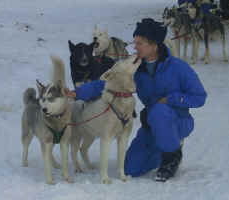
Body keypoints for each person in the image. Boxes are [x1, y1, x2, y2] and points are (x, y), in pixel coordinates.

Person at [65, 18, 207, 182]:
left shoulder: (178, 67)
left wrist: (170, 99)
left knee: (159, 112)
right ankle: (163, 147)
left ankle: (172, 156)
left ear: (154, 45)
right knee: (131, 168)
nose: (135, 47)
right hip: (152, 123)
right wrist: (77, 93)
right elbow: (104, 83)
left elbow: (200, 97)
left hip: (178, 121)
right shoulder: (137, 69)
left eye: (140, 43)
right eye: (135, 42)